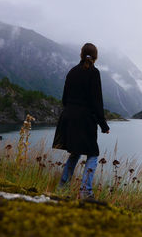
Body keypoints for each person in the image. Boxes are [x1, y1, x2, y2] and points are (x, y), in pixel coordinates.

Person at [52, 42, 110, 199]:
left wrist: (71, 111)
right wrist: (103, 125)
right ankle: (86, 191)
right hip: (85, 120)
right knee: (93, 153)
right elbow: (96, 102)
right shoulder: (93, 73)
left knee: (76, 151)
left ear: (81, 54)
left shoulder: (72, 71)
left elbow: (64, 99)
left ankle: (62, 188)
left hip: (69, 118)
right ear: (95, 57)